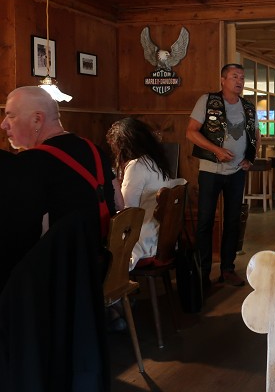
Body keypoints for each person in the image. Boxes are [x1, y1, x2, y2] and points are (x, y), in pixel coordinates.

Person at [0, 86, 116, 291]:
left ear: (37, 120)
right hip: (100, 262)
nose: (3, 124)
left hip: (62, 276)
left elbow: (21, 237)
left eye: (11, 116)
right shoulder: (93, 148)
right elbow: (120, 203)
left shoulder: (32, 162)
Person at [186, 63, 260, 287]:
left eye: (242, 78)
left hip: (237, 171)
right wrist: (216, 150)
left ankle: (228, 269)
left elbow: (256, 134)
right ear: (223, 80)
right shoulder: (208, 101)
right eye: (234, 76)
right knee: (205, 221)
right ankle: (203, 272)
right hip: (211, 171)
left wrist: (251, 158)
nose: (239, 81)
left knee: (233, 220)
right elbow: (191, 132)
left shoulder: (248, 107)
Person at [107, 117, 184, 269]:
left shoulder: (137, 166)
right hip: (159, 238)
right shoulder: (155, 161)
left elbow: (127, 210)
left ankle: (111, 281)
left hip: (143, 242)